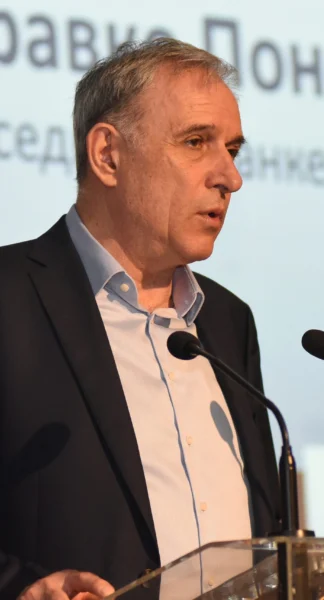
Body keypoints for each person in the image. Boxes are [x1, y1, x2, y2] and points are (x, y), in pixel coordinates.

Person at [0, 38, 279, 600]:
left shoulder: (229, 322)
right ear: (107, 155)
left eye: (232, 150)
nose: (230, 177)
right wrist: (21, 588)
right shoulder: (10, 299)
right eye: (196, 142)